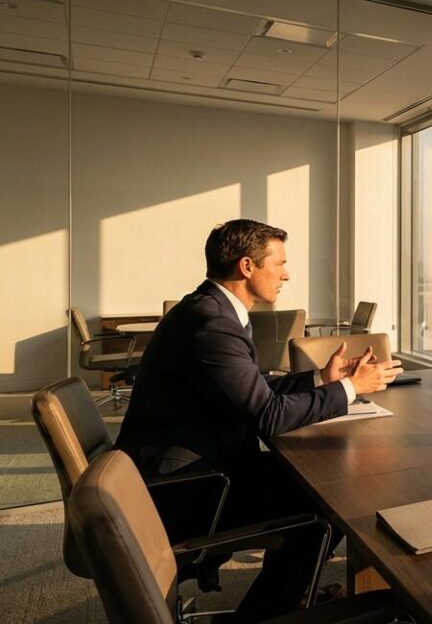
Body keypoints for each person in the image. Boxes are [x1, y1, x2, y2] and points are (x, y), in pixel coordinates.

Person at [116, 219, 400, 621]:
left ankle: (289, 599)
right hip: (187, 489)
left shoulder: (210, 309)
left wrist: (323, 378)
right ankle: (268, 614)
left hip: (198, 467)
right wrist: (352, 389)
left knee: (322, 485)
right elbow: (267, 415)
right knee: (326, 502)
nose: (287, 274)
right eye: (279, 263)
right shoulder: (212, 322)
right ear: (247, 267)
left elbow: (252, 389)